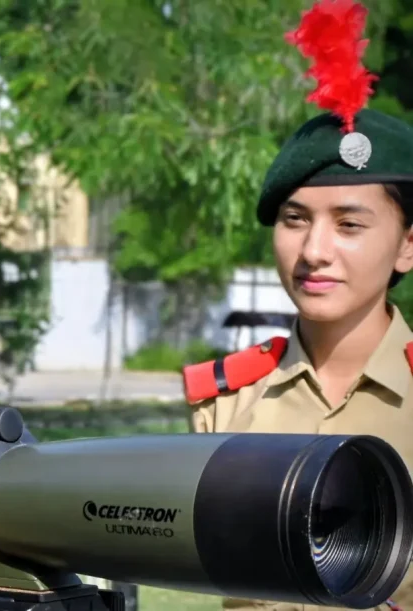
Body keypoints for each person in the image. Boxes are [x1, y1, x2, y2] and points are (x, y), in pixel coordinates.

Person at [183, 1, 413, 610]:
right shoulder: (224, 403)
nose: (313, 251)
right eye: (294, 220)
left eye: (349, 224)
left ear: (407, 246)